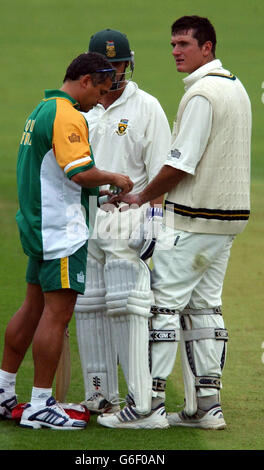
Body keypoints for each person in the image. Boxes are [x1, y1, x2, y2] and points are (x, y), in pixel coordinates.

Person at [104, 15, 251, 430]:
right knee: (204, 308)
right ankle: (206, 407)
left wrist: (140, 195)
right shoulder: (234, 86)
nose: (175, 51)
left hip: (195, 217)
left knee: (162, 306)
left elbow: (181, 163)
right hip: (227, 218)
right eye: (172, 44)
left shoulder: (202, 95)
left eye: (184, 44)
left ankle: (148, 406)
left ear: (207, 47)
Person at [0, 52, 133, 431]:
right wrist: (117, 179)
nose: (100, 100)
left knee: (32, 307)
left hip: (38, 224)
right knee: (57, 314)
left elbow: (55, 175)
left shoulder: (41, 109)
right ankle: (39, 404)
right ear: (84, 80)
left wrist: (100, 195)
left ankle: (2, 391)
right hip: (60, 232)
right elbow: (79, 172)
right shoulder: (68, 115)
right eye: (99, 90)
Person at [74, 29, 172, 428]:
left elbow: (162, 173)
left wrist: (154, 225)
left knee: (127, 308)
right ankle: (100, 395)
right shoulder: (82, 110)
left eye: (118, 65)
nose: (112, 73)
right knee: (89, 306)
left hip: (128, 220)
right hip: (87, 222)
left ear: (128, 64)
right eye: (104, 66)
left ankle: (143, 403)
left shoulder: (147, 107)